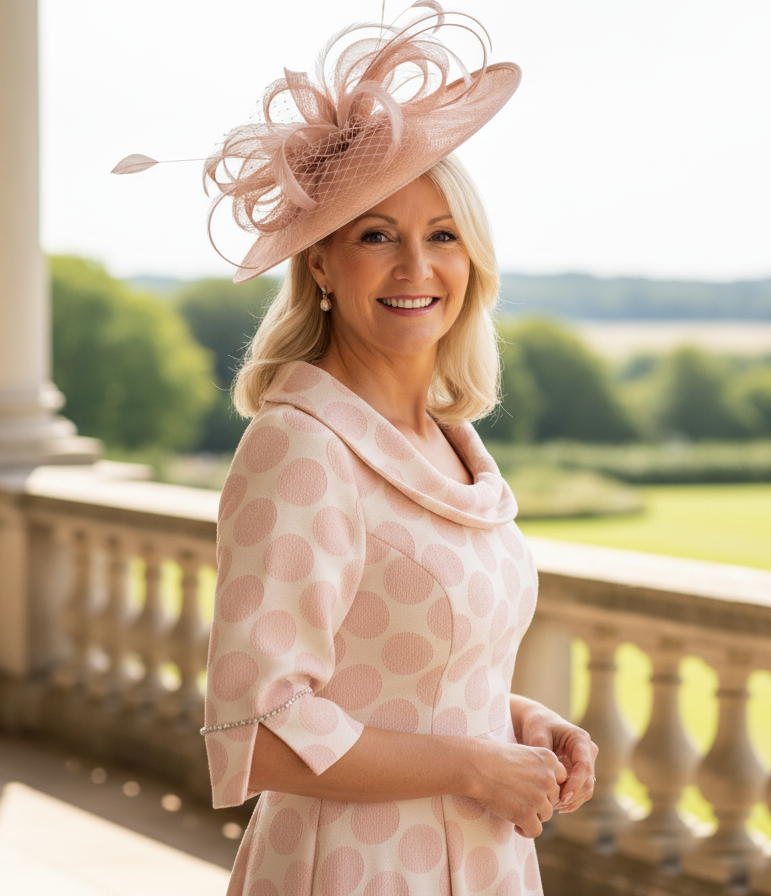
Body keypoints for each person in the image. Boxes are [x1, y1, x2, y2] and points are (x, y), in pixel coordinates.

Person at [123, 6, 597, 894]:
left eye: (442, 235)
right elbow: (259, 729)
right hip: (355, 871)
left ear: (473, 262)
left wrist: (518, 724)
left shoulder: (456, 449)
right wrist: (471, 766)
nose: (417, 267)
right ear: (320, 266)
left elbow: (409, 677)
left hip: (486, 860)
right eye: (377, 235)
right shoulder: (299, 453)